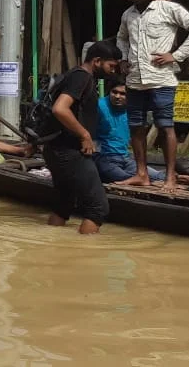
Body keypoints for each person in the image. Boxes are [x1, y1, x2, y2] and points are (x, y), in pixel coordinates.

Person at [115, 0, 189, 192]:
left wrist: (176, 55)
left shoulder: (168, 9)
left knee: (165, 126)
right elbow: (121, 38)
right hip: (134, 79)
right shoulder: (128, 15)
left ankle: (170, 177)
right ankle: (142, 174)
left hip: (161, 79)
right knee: (136, 126)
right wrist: (123, 58)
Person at [44, 41, 122, 234]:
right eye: (111, 66)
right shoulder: (82, 77)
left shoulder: (72, 75)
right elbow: (60, 109)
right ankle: (84, 252)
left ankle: (52, 245)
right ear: (97, 61)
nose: (113, 71)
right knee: (98, 208)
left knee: (63, 204)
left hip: (55, 148)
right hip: (69, 151)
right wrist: (84, 134)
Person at [95, 78, 165, 183]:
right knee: (126, 179)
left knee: (159, 176)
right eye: (114, 92)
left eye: (122, 94)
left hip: (125, 158)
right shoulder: (99, 106)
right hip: (104, 158)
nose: (117, 96)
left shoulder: (133, 109)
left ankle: (182, 178)